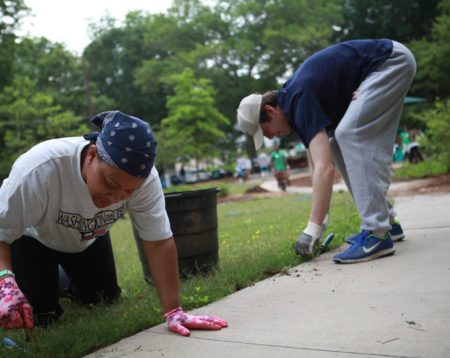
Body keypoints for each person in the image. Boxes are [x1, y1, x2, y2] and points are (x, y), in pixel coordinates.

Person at [0, 110, 227, 335]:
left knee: (103, 297)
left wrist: (174, 311)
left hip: (88, 234)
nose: (116, 197)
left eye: (129, 191)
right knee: (42, 315)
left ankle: (60, 280)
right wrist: (5, 282)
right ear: (91, 155)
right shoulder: (40, 168)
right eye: (110, 183)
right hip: (33, 239)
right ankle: (36, 281)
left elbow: (158, 241)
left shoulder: (146, 180)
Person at [237, 39, 415, 263]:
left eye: (265, 131)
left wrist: (312, 229)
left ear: (271, 111)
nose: (270, 137)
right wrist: (319, 223)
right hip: (383, 65)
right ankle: (387, 221)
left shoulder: (297, 99)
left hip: (390, 62)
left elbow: (324, 168)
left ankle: (377, 232)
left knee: (348, 134)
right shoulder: (294, 100)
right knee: (336, 143)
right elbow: (321, 165)